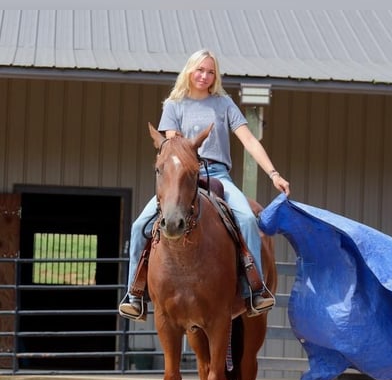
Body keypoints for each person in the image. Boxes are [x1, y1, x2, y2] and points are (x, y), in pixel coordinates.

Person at [118, 49, 290, 321]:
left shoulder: (224, 104)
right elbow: (172, 147)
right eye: (200, 70)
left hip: (218, 174)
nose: (205, 76)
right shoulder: (174, 105)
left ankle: (255, 290)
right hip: (182, 175)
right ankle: (135, 294)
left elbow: (249, 141)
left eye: (210, 72)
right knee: (140, 225)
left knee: (246, 218)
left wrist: (273, 173)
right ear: (190, 71)